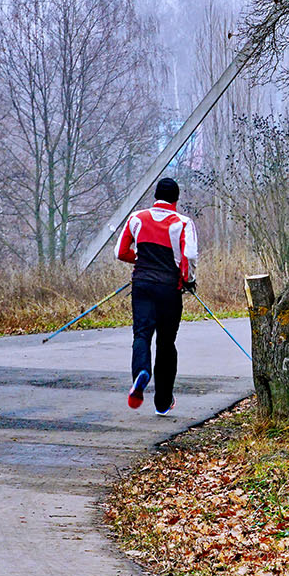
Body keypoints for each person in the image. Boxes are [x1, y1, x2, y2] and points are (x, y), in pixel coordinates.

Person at [115, 177, 196, 416]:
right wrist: (188, 280)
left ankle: (141, 372)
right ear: (176, 199)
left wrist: (139, 261)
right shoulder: (183, 222)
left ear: (155, 196)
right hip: (169, 289)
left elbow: (120, 252)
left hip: (142, 284)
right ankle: (162, 401)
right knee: (166, 342)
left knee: (141, 334)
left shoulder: (137, 218)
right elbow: (189, 256)